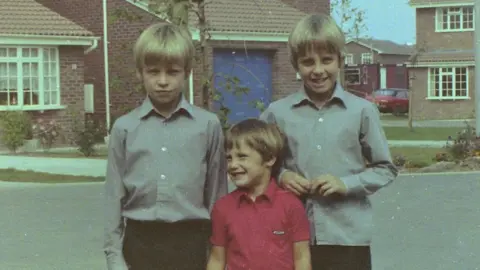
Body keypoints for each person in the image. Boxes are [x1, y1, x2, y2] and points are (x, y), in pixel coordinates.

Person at [260, 14, 398, 270]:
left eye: (327, 60)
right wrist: (282, 177)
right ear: (296, 65)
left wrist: (345, 184)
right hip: (291, 234)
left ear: (340, 61)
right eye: (308, 62)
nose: (318, 70)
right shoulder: (276, 113)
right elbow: (258, 166)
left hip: (347, 236)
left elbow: (385, 169)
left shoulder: (361, 111)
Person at [103, 22, 227, 270]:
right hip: (139, 244)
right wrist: (114, 258)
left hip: (191, 244)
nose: (162, 81)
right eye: (153, 71)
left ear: (187, 72)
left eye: (172, 72)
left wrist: (216, 256)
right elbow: (113, 200)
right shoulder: (125, 128)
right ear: (140, 72)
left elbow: (217, 196)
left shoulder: (207, 126)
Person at [206, 118, 312, 270]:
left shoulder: (291, 205)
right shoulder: (223, 207)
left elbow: (301, 258)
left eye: (242, 156)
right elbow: (217, 259)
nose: (233, 165)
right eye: (229, 158)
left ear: (269, 159)